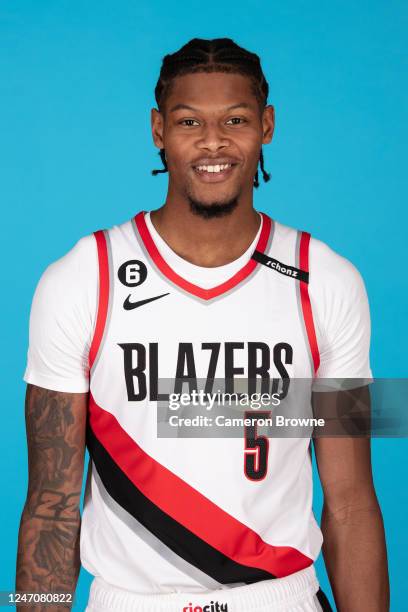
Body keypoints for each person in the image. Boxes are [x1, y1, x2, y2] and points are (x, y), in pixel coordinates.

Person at [16, 38, 389, 612]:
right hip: (131, 601)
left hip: (279, 598)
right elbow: (51, 502)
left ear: (266, 126)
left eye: (235, 120)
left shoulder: (326, 280)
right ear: (158, 130)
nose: (213, 142)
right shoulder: (81, 278)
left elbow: (350, 501)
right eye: (190, 121)